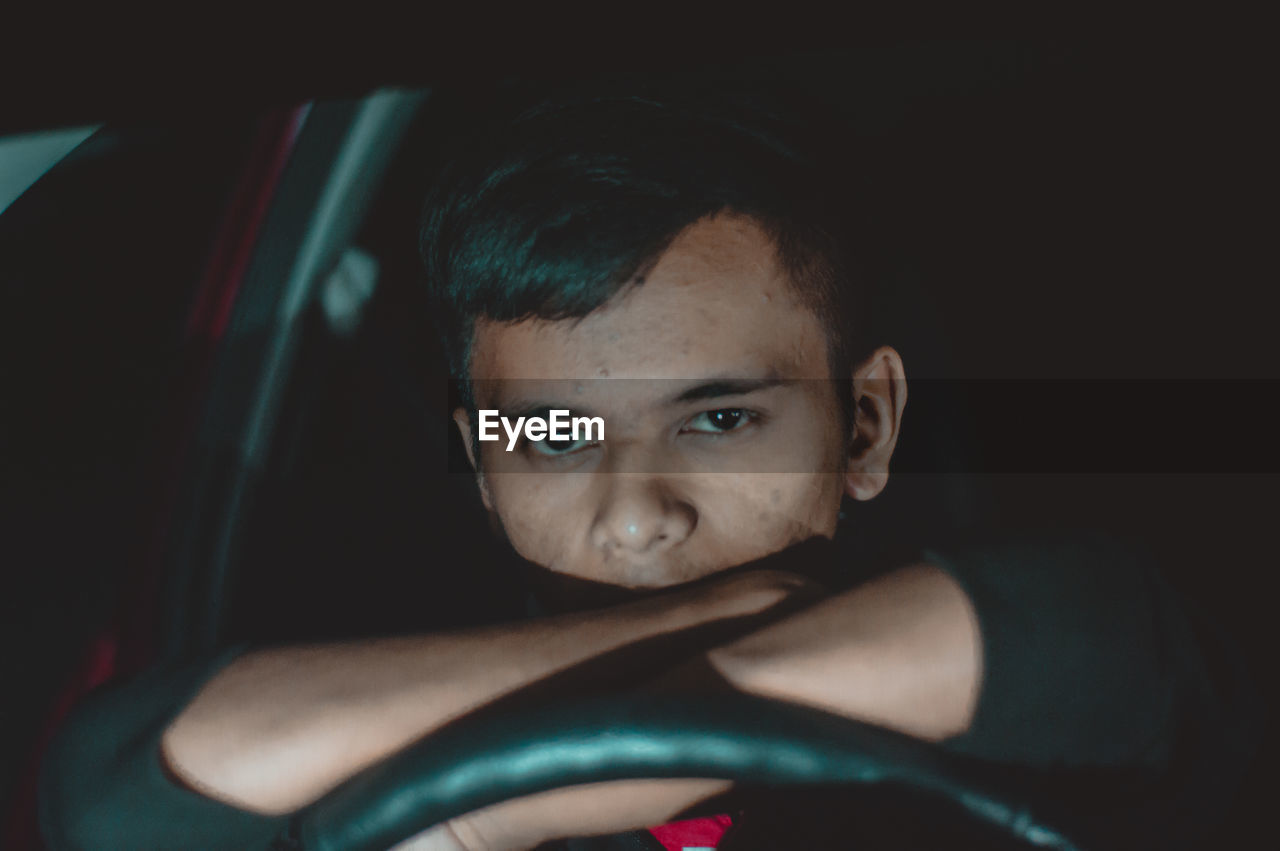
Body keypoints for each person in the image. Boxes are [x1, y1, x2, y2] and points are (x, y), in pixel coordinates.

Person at [38, 78, 1258, 850]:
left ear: (867, 426)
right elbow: (117, 789)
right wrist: (752, 610)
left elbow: (1077, 644)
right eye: (554, 434)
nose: (633, 516)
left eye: (719, 420)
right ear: (478, 456)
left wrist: (463, 815)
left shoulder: (1064, 704)